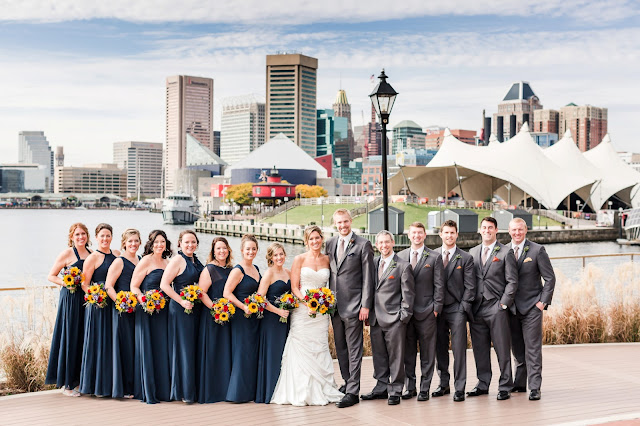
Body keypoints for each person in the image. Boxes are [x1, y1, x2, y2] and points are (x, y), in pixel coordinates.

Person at [270, 226, 344, 406]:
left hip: (321, 313)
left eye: (317, 238)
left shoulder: (328, 259)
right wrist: (308, 303)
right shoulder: (299, 259)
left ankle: (323, 387)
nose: (315, 241)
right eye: (311, 239)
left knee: (319, 346)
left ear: (321, 238)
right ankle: (300, 390)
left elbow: (330, 284)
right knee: (302, 346)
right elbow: (295, 287)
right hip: (304, 310)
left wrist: (324, 303)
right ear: (306, 241)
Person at [325, 209, 375, 408]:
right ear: (335, 223)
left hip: (355, 306)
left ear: (351, 221)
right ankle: (347, 382)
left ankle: (353, 391)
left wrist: (365, 305)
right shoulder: (329, 244)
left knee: (354, 349)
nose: (342, 225)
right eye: (339, 222)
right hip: (334, 307)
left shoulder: (363, 244)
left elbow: (368, 278)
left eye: (345, 221)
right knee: (340, 347)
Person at [362, 230, 415, 406]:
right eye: (380, 243)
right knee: (379, 355)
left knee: (396, 357)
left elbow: (408, 294)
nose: (384, 245)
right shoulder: (373, 262)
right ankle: (381, 387)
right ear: (377, 245)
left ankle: (396, 389)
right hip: (376, 318)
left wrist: (403, 317)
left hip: (395, 319)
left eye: (387, 242)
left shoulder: (402, 266)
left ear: (393, 243)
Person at [468, 217, 518, 401]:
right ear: (480, 230)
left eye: (490, 227)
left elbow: (512, 281)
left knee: (502, 348)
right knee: (479, 349)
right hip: (476, 309)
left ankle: (505, 385)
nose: (487, 230)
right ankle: (482, 383)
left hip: (496, 307)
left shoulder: (506, 252)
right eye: (484, 227)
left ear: (496, 230)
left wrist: (503, 304)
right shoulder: (472, 253)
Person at [507, 218, 555, 401]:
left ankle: (535, 387)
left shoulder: (537, 250)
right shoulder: (504, 251)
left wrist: (542, 302)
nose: (517, 233)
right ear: (509, 231)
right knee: (517, 349)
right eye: (514, 230)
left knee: (533, 349)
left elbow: (550, 279)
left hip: (532, 308)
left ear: (526, 230)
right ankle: (519, 384)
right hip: (511, 309)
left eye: (520, 229)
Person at [397, 222, 444, 402]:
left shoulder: (434, 257)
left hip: (427, 312)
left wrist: (436, 309)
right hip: (406, 313)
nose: (416, 236)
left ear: (424, 235)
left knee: (427, 352)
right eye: (413, 233)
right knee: (408, 353)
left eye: (420, 233)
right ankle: (410, 387)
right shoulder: (400, 256)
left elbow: (439, 285)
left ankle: (425, 388)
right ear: (409, 235)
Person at [45, 223, 92, 397]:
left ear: (87, 236)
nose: (81, 237)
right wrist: (68, 282)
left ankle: (79, 380)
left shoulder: (92, 255)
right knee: (70, 336)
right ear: (71, 236)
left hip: (86, 300)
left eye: (83, 234)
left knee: (82, 337)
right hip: (71, 298)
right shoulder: (67, 254)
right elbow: (51, 276)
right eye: (77, 234)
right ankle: (67, 384)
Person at [433, 220, 476, 402]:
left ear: (457, 235)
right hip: (437, 310)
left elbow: (470, 287)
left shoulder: (465, 258)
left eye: (452, 233)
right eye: (446, 233)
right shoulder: (433, 255)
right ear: (440, 235)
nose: (449, 236)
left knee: (459, 350)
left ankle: (460, 387)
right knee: (439, 348)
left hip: (457, 309)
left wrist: (463, 307)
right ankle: (444, 384)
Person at [160, 229, 204, 404]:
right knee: (184, 349)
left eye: (193, 242)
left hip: (194, 309)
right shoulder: (178, 260)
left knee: (192, 348)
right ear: (179, 243)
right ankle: (184, 391)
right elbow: (164, 284)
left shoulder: (196, 260)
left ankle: (193, 388)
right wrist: (181, 301)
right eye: (186, 242)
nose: (190, 245)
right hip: (180, 310)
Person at [79, 223, 120, 397]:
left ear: (112, 237)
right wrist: (96, 295)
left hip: (114, 303)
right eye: (102, 236)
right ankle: (95, 386)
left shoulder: (117, 255)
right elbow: (84, 284)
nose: (105, 239)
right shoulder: (92, 258)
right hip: (97, 305)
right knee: (98, 342)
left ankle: (112, 384)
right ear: (96, 238)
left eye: (108, 235)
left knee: (112, 343)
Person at [131, 230, 172, 404]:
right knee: (148, 348)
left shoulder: (168, 262)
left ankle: (163, 390)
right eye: (156, 242)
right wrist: (144, 301)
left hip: (164, 312)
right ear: (151, 243)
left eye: (162, 242)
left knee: (162, 349)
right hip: (147, 311)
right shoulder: (146, 261)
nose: (159, 245)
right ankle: (147, 390)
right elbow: (134, 286)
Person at [224, 234, 262, 403]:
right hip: (241, 316)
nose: (251, 251)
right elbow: (227, 293)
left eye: (254, 249)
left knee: (251, 353)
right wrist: (243, 306)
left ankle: (251, 391)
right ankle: (237, 393)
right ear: (241, 250)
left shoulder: (256, 269)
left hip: (254, 317)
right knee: (241, 353)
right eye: (248, 249)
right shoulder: (237, 270)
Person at [196, 237, 234, 404]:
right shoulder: (209, 269)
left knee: (225, 352)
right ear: (213, 251)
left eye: (224, 248)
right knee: (213, 351)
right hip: (213, 315)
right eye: (218, 248)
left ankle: (225, 389)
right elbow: (201, 292)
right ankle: (212, 391)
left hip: (228, 316)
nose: (222, 251)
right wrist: (215, 309)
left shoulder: (231, 269)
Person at [105, 228, 140, 399]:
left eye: (136, 241)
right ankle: (123, 387)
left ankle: (134, 385)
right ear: (124, 243)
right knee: (124, 347)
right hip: (122, 310)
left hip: (138, 310)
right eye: (130, 241)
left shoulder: (140, 260)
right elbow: (108, 286)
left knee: (134, 347)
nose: (133, 244)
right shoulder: (119, 261)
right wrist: (121, 302)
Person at [255, 242, 291, 403]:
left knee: (285, 354)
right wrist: (278, 311)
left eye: (281, 254)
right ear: (270, 257)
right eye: (275, 255)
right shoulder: (268, 274)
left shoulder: (289, 272)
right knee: (273, 354)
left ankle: (284, 390)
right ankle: (270, 391)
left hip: (286, 320)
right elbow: (260, 299)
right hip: (271, 320)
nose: (279, 257)